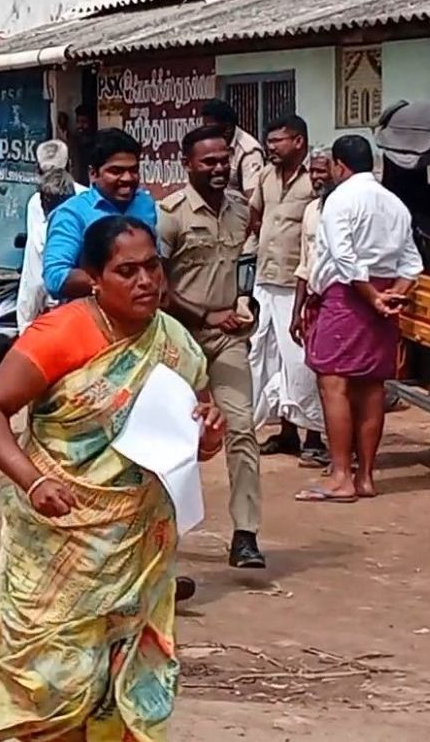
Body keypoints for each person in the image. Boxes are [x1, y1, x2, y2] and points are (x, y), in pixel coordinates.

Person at [0, 216, 227, 742]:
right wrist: (33, 481)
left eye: (152, 267)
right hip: (58, 537)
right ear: (94, 279)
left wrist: (209, 435)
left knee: (110, 679)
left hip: (135, 549)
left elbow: (194, 432)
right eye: (127, 271)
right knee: (44, 671)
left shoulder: (175, 342)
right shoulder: (63, 333)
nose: (146, 281)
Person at [158, 124, 266, 569]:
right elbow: (158, 287)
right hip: (178, 342)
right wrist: (204, 316)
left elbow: (245, 267)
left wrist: (246, 304)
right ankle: (161, 538)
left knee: (241, 429)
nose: (219, 168)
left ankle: (246, 535)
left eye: (224, 160)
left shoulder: (241, 211)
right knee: (173, 442)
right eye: (209, 162)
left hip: (227, 340)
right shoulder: (170, 215)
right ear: (188, 165)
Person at [297, 134, 422, 503]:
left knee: (333, 383)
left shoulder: (341, 199)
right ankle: (365, 476)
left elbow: (344, 257)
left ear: (340, 166)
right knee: (371, 386)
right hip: (383, 295)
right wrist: (392, 295)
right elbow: (412, 263)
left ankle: (341, 476)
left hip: (348, 298)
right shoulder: (394, 203)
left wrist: (373, 297)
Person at [247, 115, 325, 458]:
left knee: (301, 362)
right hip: (265, 279)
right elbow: (254, 213)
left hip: (297, 285)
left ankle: (314, 437)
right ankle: (286, 432)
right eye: (269, 141)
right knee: (268, 358)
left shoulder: (314, 180)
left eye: (277, 141)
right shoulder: (267, 175)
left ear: (298, 142)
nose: (271, 147)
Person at [42, 128, 159, 302]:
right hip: (92, 314)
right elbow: (56, 277)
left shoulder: (144, 204)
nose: (127, 178)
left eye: (133, 170)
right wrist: (111, 284)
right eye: (116, 171)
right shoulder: (72, 214)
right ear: (93, 173)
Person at [290, 150, 334, 467]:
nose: (317, 177)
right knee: (315, 373)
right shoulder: (310, 210)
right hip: (316, 304)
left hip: (343, 303)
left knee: (342, 381)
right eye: (313, 172)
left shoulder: (347, 208)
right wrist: (297, 312)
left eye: (323, 171)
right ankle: (316, 440)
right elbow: (305, 264)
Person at [16, 141, 85, 331]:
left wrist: (25, 323)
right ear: (69, 165)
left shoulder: (37, 203)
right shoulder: (88, 197)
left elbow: (35, 273)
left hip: (59, 307)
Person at [201, 99, 267, 201]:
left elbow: (253, 198)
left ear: (228, 129)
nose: (206, 132)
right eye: (204, 127)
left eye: (210, 128)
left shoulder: (249, 151)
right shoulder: (207, 142)